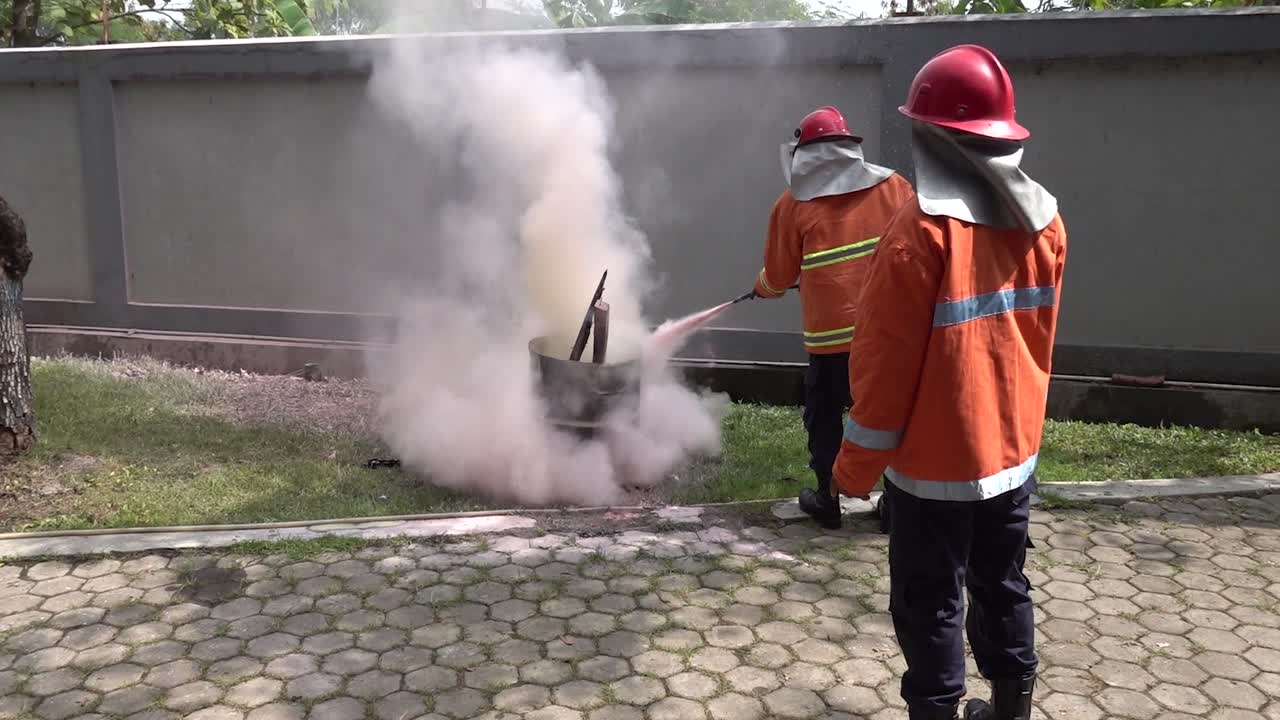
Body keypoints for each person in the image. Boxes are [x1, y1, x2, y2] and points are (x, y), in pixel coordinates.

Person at [830, 45, 1067, 720]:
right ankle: (1012, 706)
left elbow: (882, 367)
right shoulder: (1047, 224)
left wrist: (852, 472)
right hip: (1012, 457)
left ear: (931, 138)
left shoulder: (918, 234)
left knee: (930, 598)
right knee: (1004, 583)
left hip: (934, 472)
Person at [751, 105, 914, 530]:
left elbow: (782, 275)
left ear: (803, 155)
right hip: (888, 334)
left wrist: (763, 286)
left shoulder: (791, 205)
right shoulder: (894, 187)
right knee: (892, 415)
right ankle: (896, 505)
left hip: (830, 343)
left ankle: (827, 498)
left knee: (825, 418)